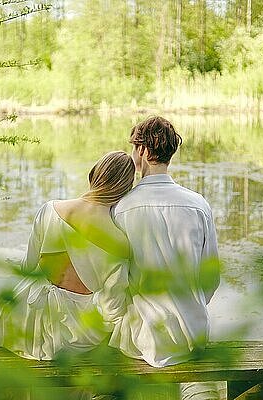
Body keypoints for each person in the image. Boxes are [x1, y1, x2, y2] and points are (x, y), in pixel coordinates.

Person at [109, 116, 221, 399]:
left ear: (144, 151)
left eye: (135, 148)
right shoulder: (199, 205)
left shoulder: (121, 209)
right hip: (192, 336)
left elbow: (115, 285)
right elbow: (211, 280)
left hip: (141, 340)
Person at [0, 151, 134, 361]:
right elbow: (111, 309)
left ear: (93, 175)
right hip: (75, 333)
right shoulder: (119, 241)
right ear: (125, 190)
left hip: (27, 319)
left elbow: (28, 267)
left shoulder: (49, 209)